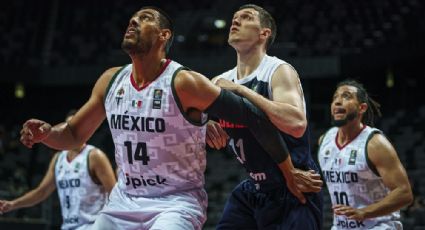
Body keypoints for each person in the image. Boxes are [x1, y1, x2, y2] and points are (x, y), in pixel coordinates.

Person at [19, 6, 320, 230]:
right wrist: (47, 133)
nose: (134, 21)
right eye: (132, 18)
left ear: (164, 36)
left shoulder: (194, 81)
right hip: (126, 200)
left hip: (178, 200)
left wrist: (289, 170)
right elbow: (72, 135)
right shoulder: (111, 80)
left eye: (145, 17)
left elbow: (265, 118)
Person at [206, 4, 323, 229]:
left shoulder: (278, 70)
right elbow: (190, 123)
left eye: (246, 17)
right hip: (254, 188)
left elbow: (296, 124)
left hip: (295, 184)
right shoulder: (220, 80)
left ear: (264, 33)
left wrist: (241, 91)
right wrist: (207, 125)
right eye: (234, 18)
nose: (235, 21)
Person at [317, 80, 413, 229]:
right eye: (335, 97)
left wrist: (365, 212)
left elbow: (404, 193)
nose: (337, 101)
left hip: (378, 225)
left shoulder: (375, 144)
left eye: (346, 96)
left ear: (362, 108)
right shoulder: (324, 141)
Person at [0, 110, 116, 230]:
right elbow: (42, 192)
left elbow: (115, 194)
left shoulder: (94, 156)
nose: (73, 131)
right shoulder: (58, 159)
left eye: (76, 127)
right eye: (69, 127)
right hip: (68, 226)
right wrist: (12, 204)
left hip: (94, 226)